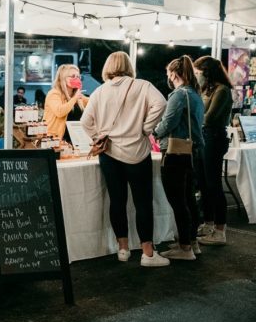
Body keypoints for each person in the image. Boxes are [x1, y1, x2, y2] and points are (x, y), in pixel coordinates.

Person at [81, 51, 169, 267]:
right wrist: (146, 128)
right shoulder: (143, 86)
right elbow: (161, 104)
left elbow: (85, 121)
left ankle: (123, 249)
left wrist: (98, 137)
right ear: (129, 66)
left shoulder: (100, 92)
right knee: (142, 203)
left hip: (109, 155)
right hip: (138, 153)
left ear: (108, 67)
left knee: (117, 201)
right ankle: (147, 253)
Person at [153, 56, 205, 260]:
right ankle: (191, 242)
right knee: (189, 198)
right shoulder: (194, 93)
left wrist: (153, 131)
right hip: (191, 152)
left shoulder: (179, 94)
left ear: (174, 74)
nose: (168, 77)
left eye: (168, 73)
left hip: (176, 152)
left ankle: (184, 248)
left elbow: (169, 122)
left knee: (178, 200)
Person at [193, 56, 234, 246]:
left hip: (214, 138)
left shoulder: (222, 91)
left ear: (207, 72)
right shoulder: (205, 90)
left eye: (198, 72)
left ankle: (220, 229)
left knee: (213, 184)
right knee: (202, 182)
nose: (196, 75)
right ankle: (208, 223)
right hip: (203, 138)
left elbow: (207, 118)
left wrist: (193, 116)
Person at [44, 64, 88, 142]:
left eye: (78, 77)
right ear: (63, 78)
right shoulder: (54, 94)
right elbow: (60, 112)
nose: (76, 79)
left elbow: (92, 103)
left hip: (76, 140)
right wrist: (74, 98)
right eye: (73, 76)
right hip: (56, 140)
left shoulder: (78, 96)